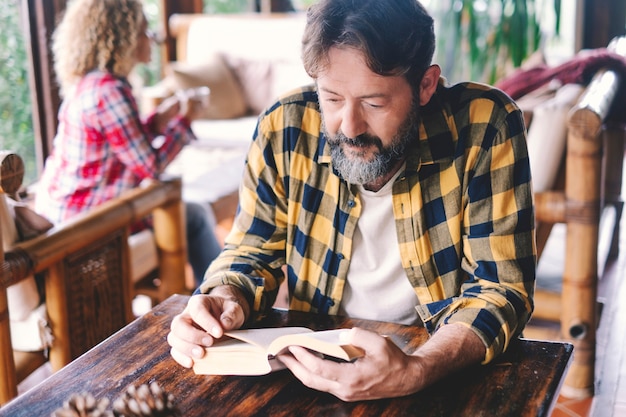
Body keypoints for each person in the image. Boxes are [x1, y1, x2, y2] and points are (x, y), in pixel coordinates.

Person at [167, 0, 536, 401]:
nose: (349, 126)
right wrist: (222, 298)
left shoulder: (485, 125)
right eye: (332, 98)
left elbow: (500, 289)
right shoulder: (284, 127)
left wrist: (417, 369)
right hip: (315, 372)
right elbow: (251, 250)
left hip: (440, 366)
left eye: (375, 103)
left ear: (426, 86)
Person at [34, 0, 222, 287]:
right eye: (145, 31)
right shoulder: (111, 91)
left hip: (66, 216)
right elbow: (150, 166)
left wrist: (158, 120)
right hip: (89, 224)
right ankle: (217, 296)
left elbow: (117, 146)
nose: (152, 39)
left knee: (192, 210)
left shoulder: (91, 84)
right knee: (195, 214)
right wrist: (185, 121)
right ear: (122, 38)